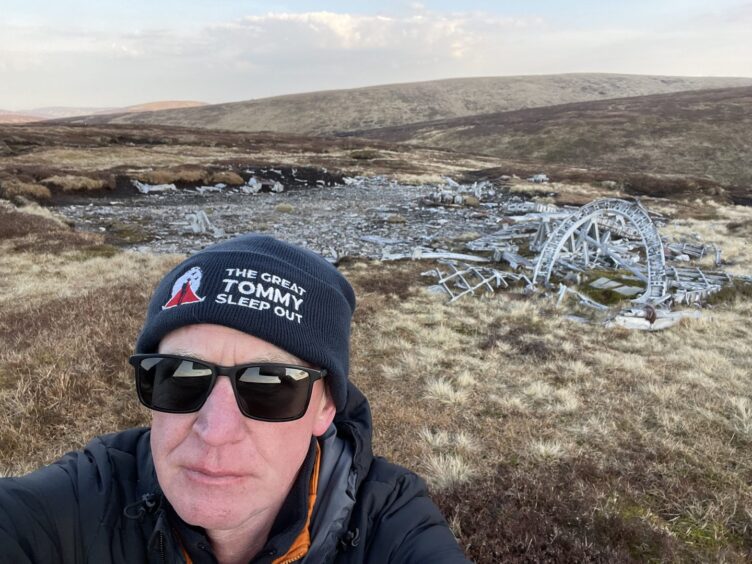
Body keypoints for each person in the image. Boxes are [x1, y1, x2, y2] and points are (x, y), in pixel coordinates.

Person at [0, 234, 470, 563]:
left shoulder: (387, 519)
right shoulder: (89, 494)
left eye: (270, 386)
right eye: (181, 375)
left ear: (326, 407)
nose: (215, 430)